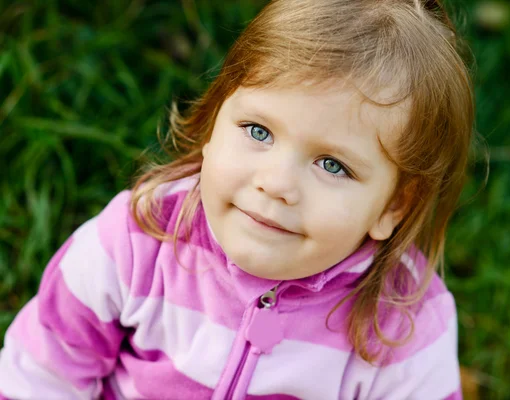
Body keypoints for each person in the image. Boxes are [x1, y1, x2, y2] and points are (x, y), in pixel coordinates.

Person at [0, 0, 475, 398]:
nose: (276, 183)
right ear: (214, 120)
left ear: (393, 205)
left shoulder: (405, 322)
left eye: (332, 164)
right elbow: (42, 373)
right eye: (258, 131)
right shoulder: (136, 237)